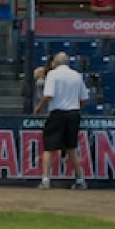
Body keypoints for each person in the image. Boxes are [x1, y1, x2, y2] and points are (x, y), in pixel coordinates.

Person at [34, 52, 89, 190]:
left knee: (49, 148)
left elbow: (48, 95)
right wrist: (75, 107)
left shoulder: (53, 75)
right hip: (73, 113)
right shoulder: (77, 75)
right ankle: (80, 180)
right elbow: (84, 98)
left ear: (55, 63)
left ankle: (46, 180)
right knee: (72, 148)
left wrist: (39, 107)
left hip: (57, 112)